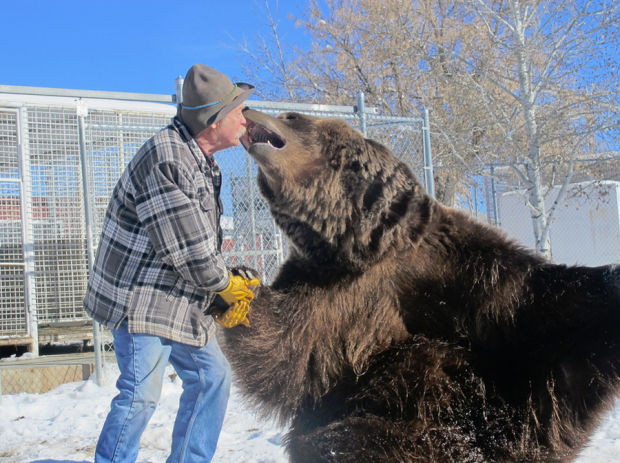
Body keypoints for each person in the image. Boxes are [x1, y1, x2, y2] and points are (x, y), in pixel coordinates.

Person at [84, 64, 259, 463]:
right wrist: (223, 285)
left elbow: (196, 241)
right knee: (140, 395)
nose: (244, 117)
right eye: (237, 110)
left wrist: (220, 282)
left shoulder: (200, 159)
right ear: (213, 122)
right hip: (141, 301)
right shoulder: (167, 159)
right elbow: (189, 250)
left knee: (211, 378)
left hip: (177, 297)